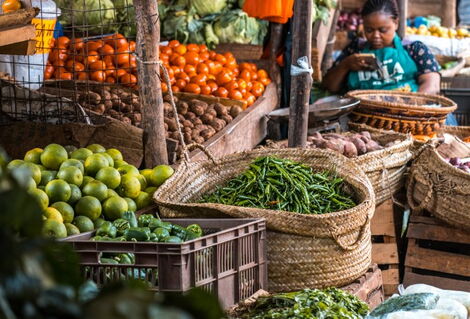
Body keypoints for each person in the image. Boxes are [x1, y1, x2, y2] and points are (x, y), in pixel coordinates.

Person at [323, 0, 441, 95]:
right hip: (363, 115)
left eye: (383, 30)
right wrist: (346, 65)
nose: (375, 36)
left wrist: (413, 105)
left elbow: (432, 85)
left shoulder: (415, 49)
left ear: (396, 23)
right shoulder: (355, 49)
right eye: (369, 30)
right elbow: (329, 86)